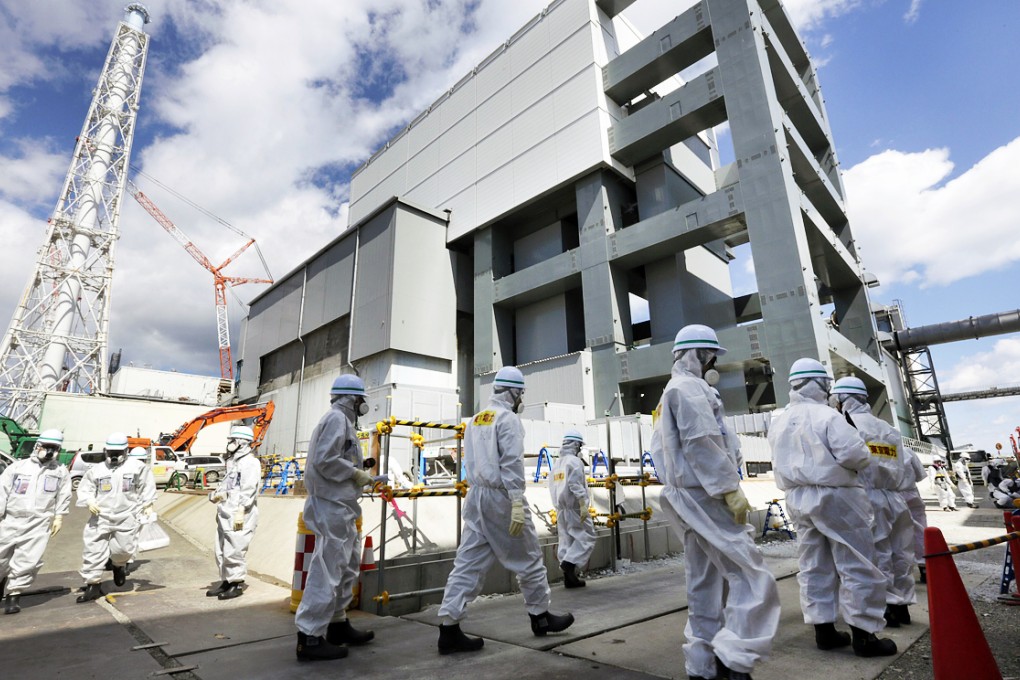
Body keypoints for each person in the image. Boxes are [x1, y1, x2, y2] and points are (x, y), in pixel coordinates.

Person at [651, 325, 779, 680]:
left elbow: (659, 450)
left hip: (685, 496)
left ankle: (702, 666)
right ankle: (736, 659)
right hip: (706, 496)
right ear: (697, 354)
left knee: (706, 582)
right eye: (711, 355)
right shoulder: (689, 390)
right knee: (751, 575)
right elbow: (701, 441)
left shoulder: (668, 394)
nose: (713, 362)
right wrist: (728, 489)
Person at [436, 365, 574, 654]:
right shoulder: (507, 419)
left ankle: (448, 627)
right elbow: (511, 462)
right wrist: (515, 502)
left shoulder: (476, 419)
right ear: (513, 391)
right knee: (529, 557)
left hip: (477, 497)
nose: (521, 398)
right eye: (521, 392)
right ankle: (540, 616)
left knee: (468, 562)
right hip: (502, 498)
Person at [768, 358, 896, 658]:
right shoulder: (828, 417)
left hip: (797, 497)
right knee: (856, 562)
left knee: (814, 564)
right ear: (820, 384)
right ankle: (865, 635)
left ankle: (823, 630)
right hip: (836, 496)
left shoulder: (780, 421)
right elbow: (854, 455)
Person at [295, 374, 387, 661]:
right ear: (353, 399)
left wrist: (365, 474)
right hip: (331, 505)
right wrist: (356, 473)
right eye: (361, 400)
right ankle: (309, 636)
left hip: (341, 504)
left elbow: (340, 460)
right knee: (328, 568)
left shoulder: (343, 423)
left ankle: (336, 623)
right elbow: (325, 461)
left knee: (345, 567)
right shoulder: (336, 420)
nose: (363, 405)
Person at [831, 377, 916, 628]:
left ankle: (886, 606)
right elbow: (905, 467)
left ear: (842, 399)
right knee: (901, 552)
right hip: (895, 496)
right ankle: (903, 606)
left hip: (867, 496)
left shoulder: (846, 425)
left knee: (878, 554)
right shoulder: (888, 429)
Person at [76, 432, 156, 602]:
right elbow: (85, 488)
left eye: (118, 452)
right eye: (111, 452)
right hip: (100, 517)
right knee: (93, 551)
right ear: (106, 450)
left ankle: (119, 565)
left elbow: (146, 487)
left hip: (127, 516)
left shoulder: (137, 467)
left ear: (126, 451)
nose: (114, 456)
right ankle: (93, 584)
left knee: (124, 549)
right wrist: (89, 501)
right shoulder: (97, 470)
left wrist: (148, 505)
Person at [0, 429, 71, 614]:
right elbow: (2, 491)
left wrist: (59, 516)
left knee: (27, 560)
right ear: (37, 445)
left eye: (54, 448)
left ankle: (14, 595)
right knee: (1, 557)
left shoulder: (60, 472)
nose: (49, 452)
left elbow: (64, 495)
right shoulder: (18, 467)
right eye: (46, 447)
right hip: (10, 519)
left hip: (38, 522)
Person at [206, 425, 262, 601]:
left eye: (232, 440)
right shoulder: (233, 462)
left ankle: (236, 583)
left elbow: (248, 489)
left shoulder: (250, 462)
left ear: (242, 442)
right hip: (225, 511)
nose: (229, 443)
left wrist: (242, 509)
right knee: (221, 549)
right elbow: (230, 485)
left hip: (239, 514)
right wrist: (218, 495)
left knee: (234, 549)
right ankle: (226, 580)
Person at [548, 429, 594, 588]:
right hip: (574, 508)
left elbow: (552, 486)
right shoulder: (574, 462)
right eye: (580, 446)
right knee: (586, 537)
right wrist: (582, 503)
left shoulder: (557, 463)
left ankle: (569, 578)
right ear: (576, 445)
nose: (580, 449)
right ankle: (569, 565)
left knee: (567, 541)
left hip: (561, 509)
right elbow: (574, 484)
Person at [897, 446, 929, 584]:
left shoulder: (869, 447)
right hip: (911, 493)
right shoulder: (907, 451)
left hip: (888, 494)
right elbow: (920, 475)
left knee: (894, 535)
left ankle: (901, 572)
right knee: (919, 531)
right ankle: (925, 569)